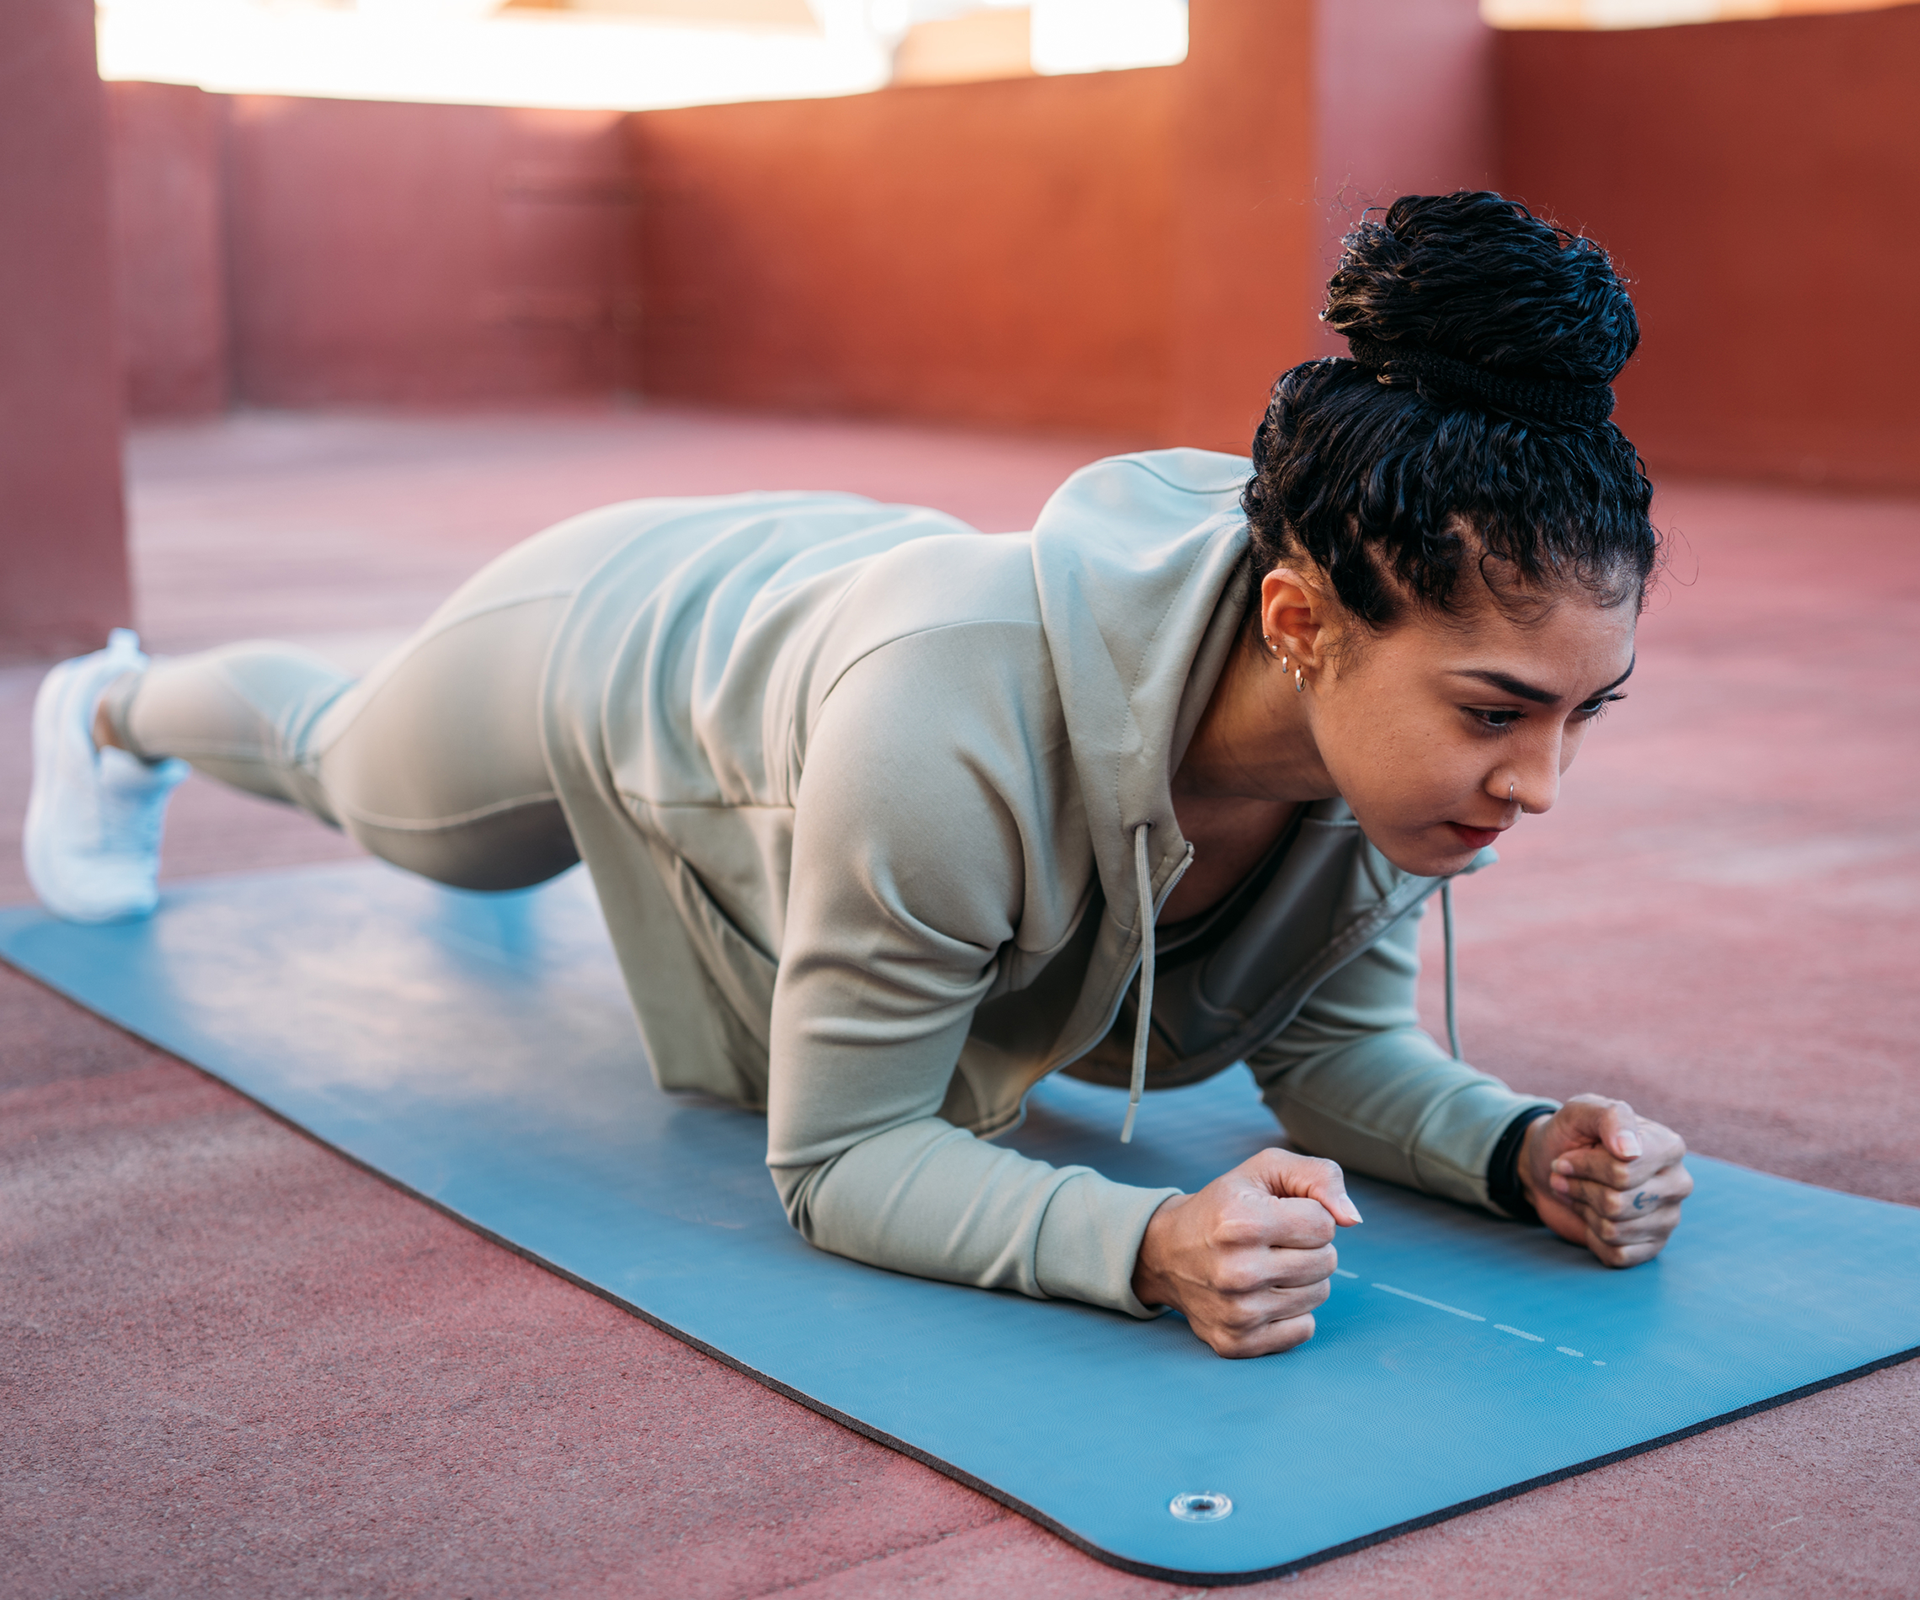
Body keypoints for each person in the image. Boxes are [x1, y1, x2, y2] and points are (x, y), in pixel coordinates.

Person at [24, 192, 1693, 1358]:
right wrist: (1142, 1243)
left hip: (845, 620)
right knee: (381, 795)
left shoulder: (1387, 745)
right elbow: (838, 1158)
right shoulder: (948, 725)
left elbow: (1333, 1052)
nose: (1536, 784)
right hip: (630, 634)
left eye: (1581, 715)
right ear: (1298, 623)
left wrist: (1516, 1147)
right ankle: (111, 709)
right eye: (1496, 715)